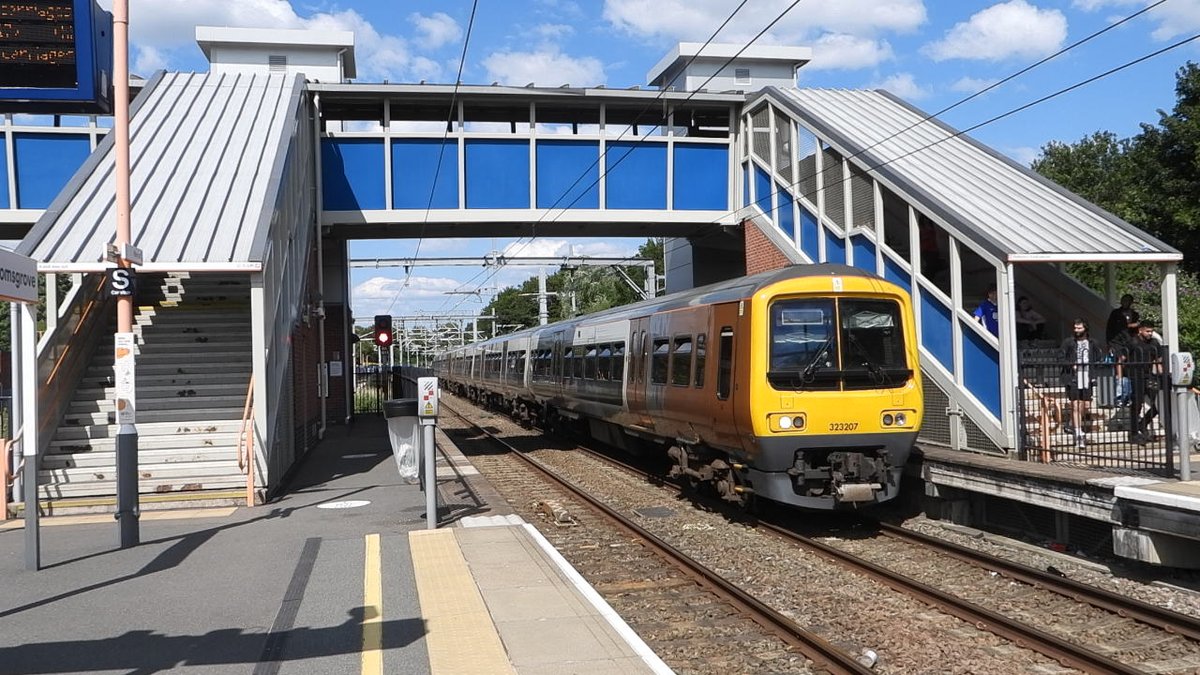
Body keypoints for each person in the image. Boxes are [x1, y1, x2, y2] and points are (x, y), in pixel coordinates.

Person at [1060, 319, 1104, 448]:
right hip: (1073, 377)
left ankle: (1071, 423)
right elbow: (1060, 357)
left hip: (1087, 376)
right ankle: (1078, 434)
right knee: (1075, 405)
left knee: (1085, 406)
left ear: (1085, 328)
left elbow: (1098, 357)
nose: (1077, 331)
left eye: (1079, 328)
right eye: (1075, 328)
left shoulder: (1092, 343)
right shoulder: (1068, 342)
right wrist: (1070, 364)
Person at [1124, 319, 1164, 446]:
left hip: (1149, 377)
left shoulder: (1154, 343)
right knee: (1137, 403)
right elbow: (1121, 359)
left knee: (1158, 402)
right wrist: (1121, 377)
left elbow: (1158, 361)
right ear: (1140, 330)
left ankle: (1143, 423)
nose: (1150, 333)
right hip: (1135, 377)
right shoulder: (1132, 342)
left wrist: (1162, 375)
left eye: (1151, 331)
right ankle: (1134, 432)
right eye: (1147, 331)